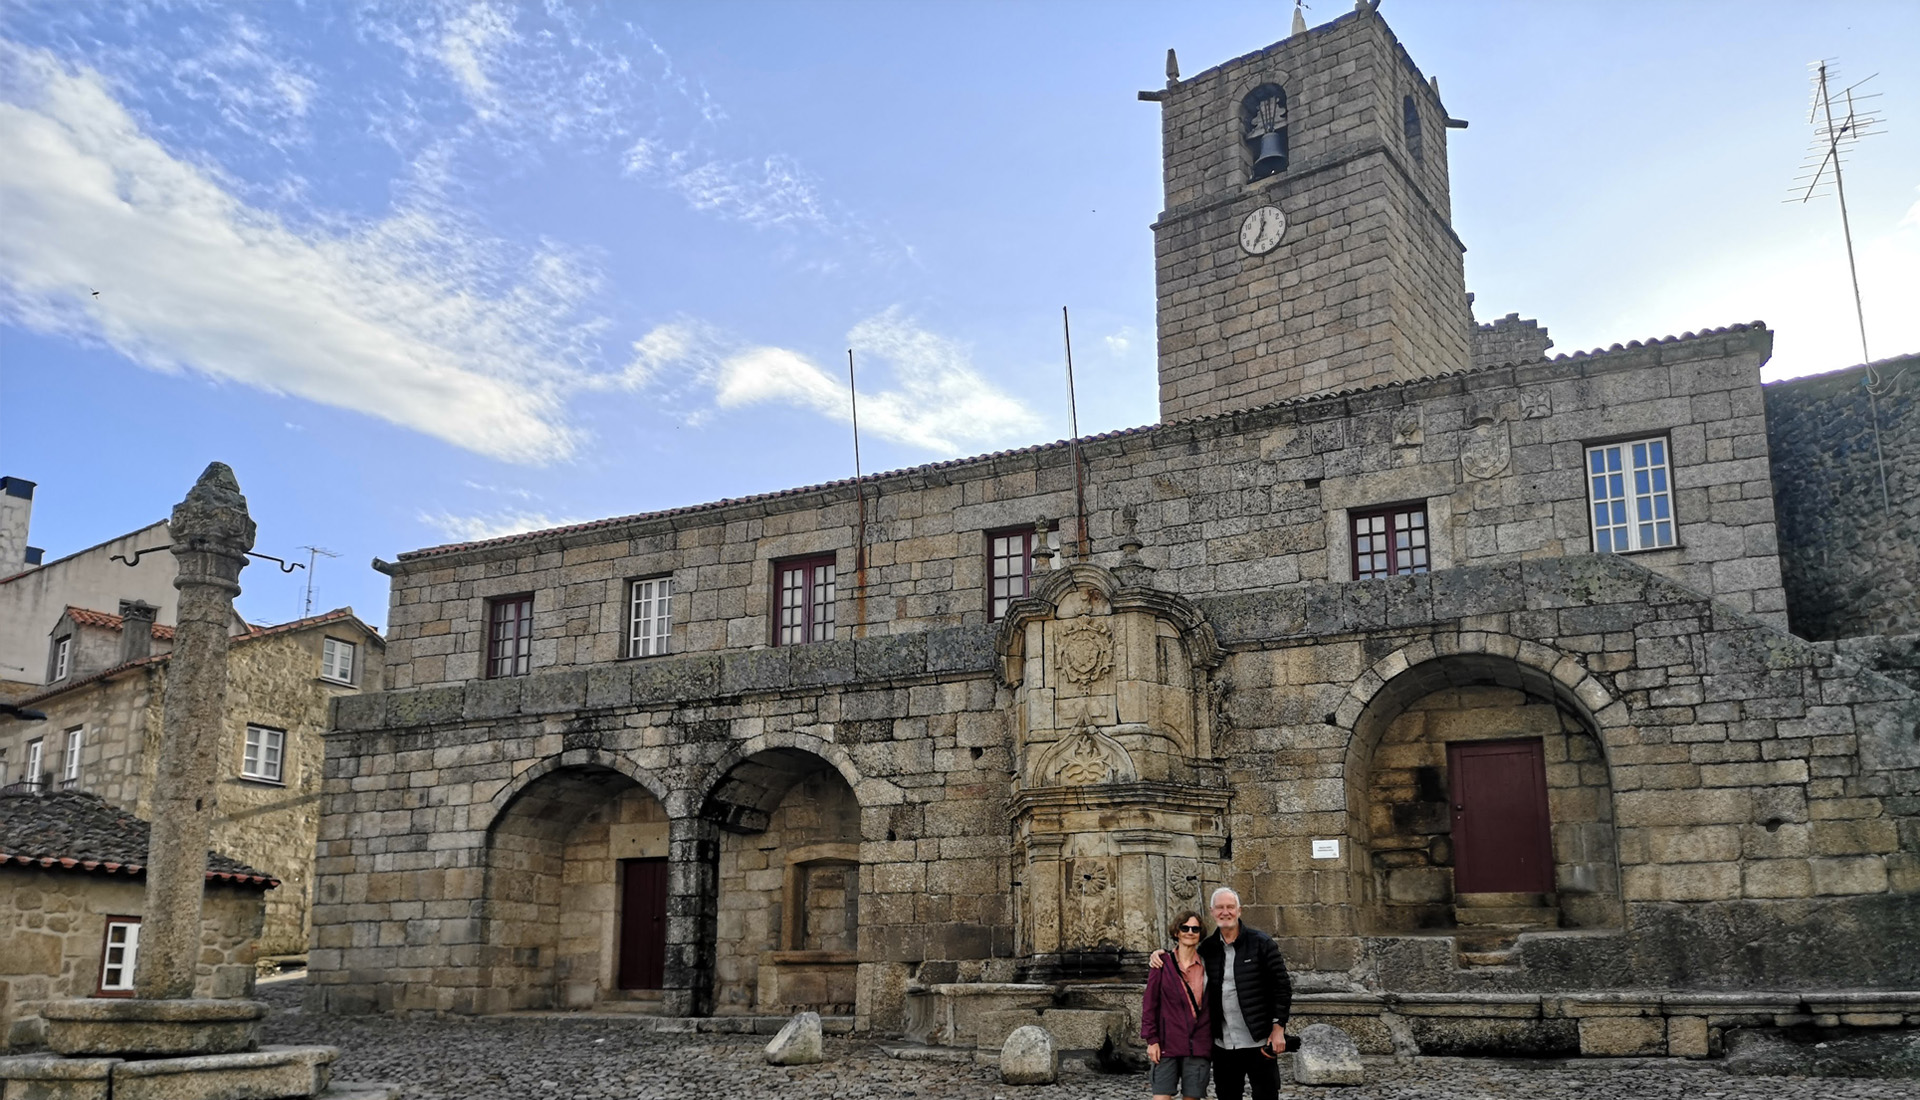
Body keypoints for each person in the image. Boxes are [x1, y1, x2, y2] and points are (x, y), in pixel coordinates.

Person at [1150, 887, 1291, 1100]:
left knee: (1266, 1095)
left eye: (1230, 907)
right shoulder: (1208, 949)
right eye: (1220, 908)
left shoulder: (1261, 944)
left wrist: (1278, 1028)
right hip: (1223, 1044)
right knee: (1227, 1095)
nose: (1225, 912)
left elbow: (1282, 987)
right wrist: (1159, 953)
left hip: (1258, 1040)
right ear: (1212, 912)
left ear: (1239, 910)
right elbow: (1184, 955)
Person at [1141, 909, 1211, 1100]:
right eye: (1185, 927)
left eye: (1195, 929)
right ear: (1176, 932)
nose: (1190, 932)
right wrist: (1151, 1040)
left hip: (1197, 1046)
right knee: (1161, 1097)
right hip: (1167, 1044)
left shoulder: (1208, 965)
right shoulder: (1162, 963)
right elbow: (1150, 1004)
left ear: (1200, 934)